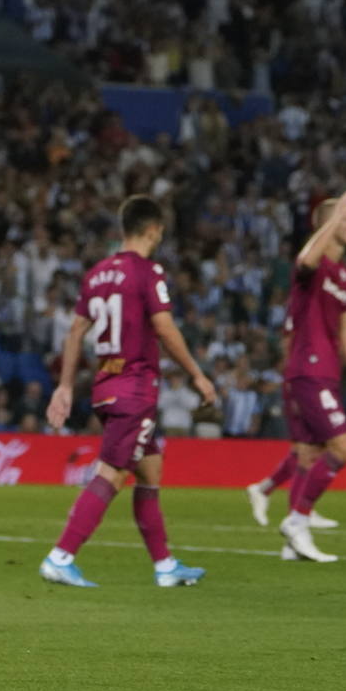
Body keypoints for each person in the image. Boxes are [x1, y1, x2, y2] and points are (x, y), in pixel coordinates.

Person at [41, 195, 217, 588]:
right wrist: (197, 375)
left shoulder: (97, 274)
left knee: (150, 471)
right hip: (135, 389)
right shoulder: (148, 272)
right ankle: (61, 555)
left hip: (107, 384)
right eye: (160, 233)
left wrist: (65, 386)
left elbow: (74, 333)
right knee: (113, 473)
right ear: (153, 229)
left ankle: (165, 565)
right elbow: (166, 328)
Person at [268, 191, 346, 562]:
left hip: (328, 372)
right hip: (307, 370)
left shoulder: (342, 274)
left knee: (311, 453)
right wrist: (332, 218)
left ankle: (291, 546)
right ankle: (298, 522)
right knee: (343, 447)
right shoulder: (310, 271)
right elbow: (304, 257)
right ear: (331, 226)